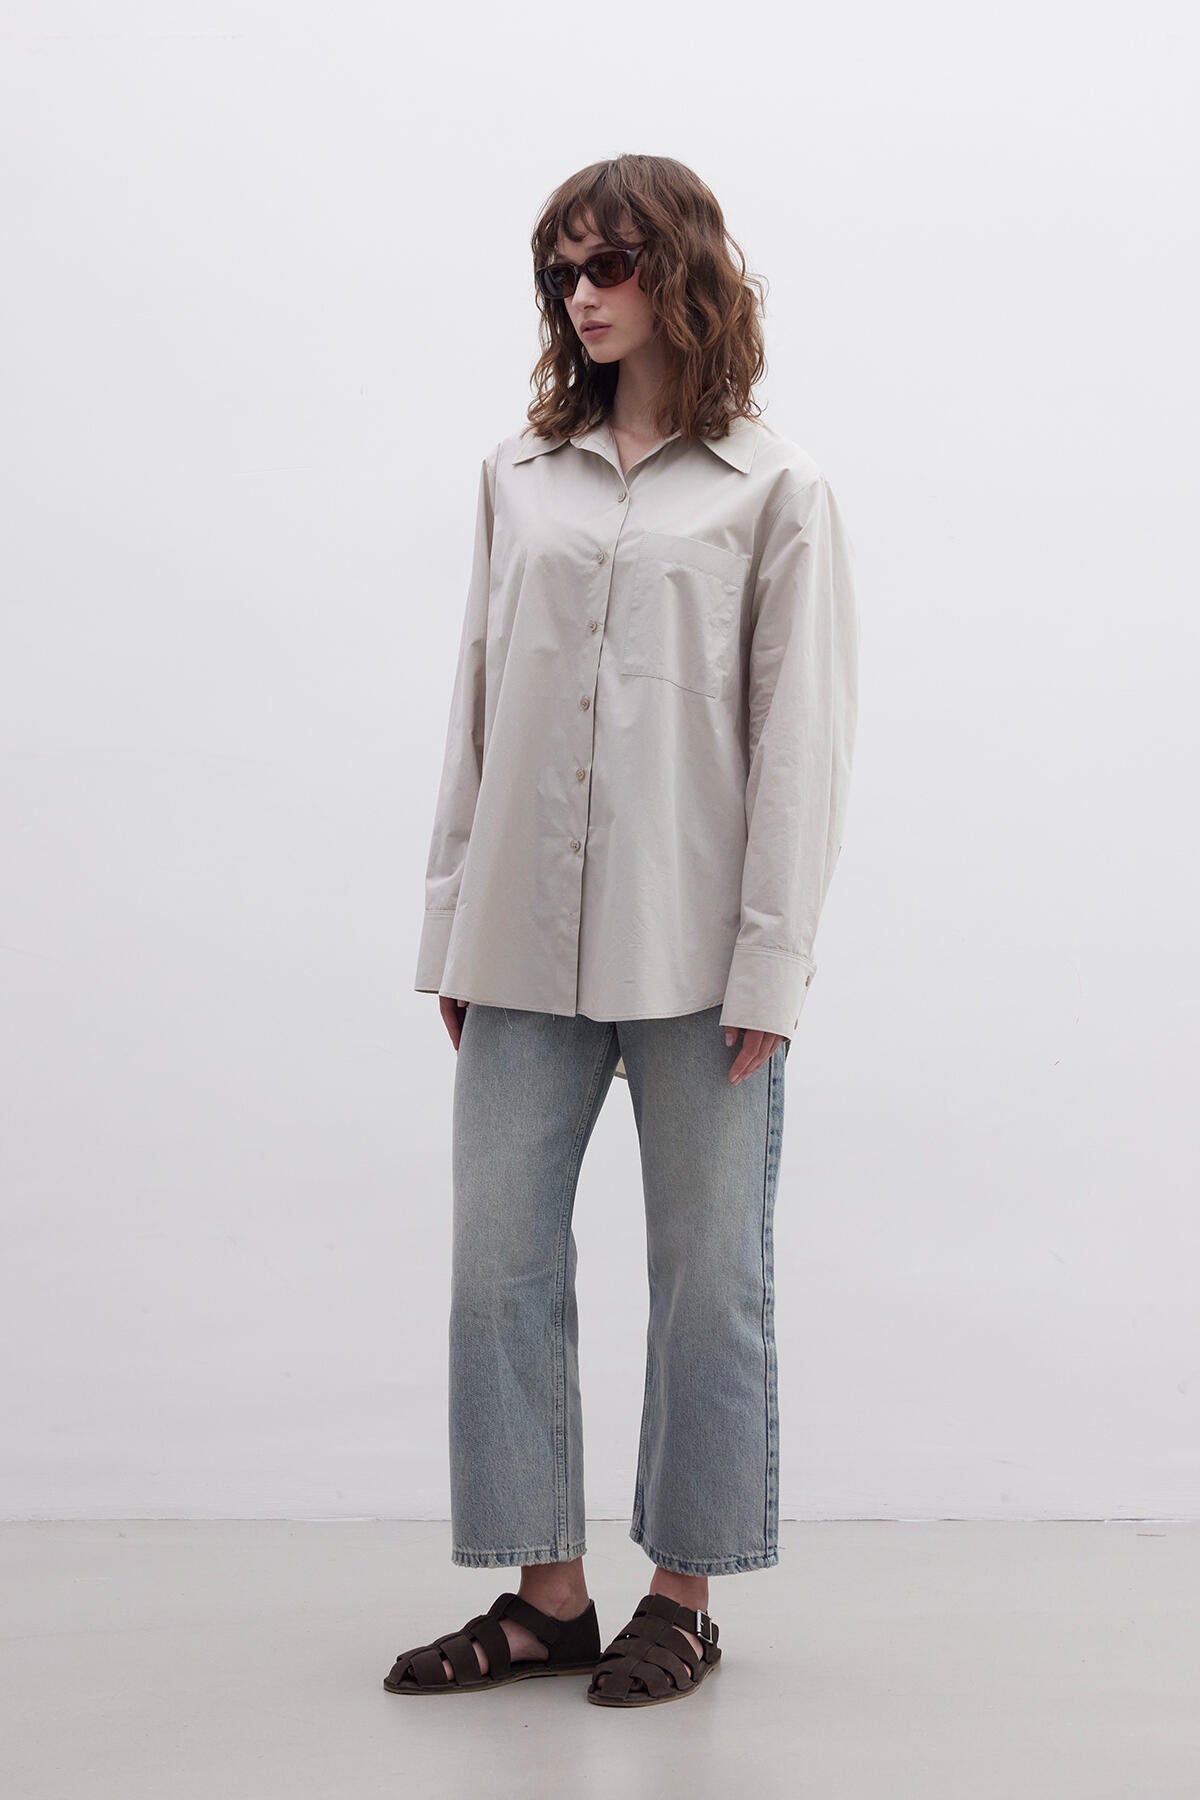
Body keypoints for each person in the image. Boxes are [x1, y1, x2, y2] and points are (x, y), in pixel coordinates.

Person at [385, 154, 859, 1707]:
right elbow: (474, 705)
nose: (581, 295)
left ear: (682, 271)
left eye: (609, 265)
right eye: (562, 271)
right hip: (518, 941)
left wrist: (774, 963)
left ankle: (684, 1597)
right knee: (496, 1267)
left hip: (696, 954)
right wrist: (451, 928)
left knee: (709, 1276)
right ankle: (546, 1598)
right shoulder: (518, 476)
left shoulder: (773, 490)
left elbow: (800, 747)